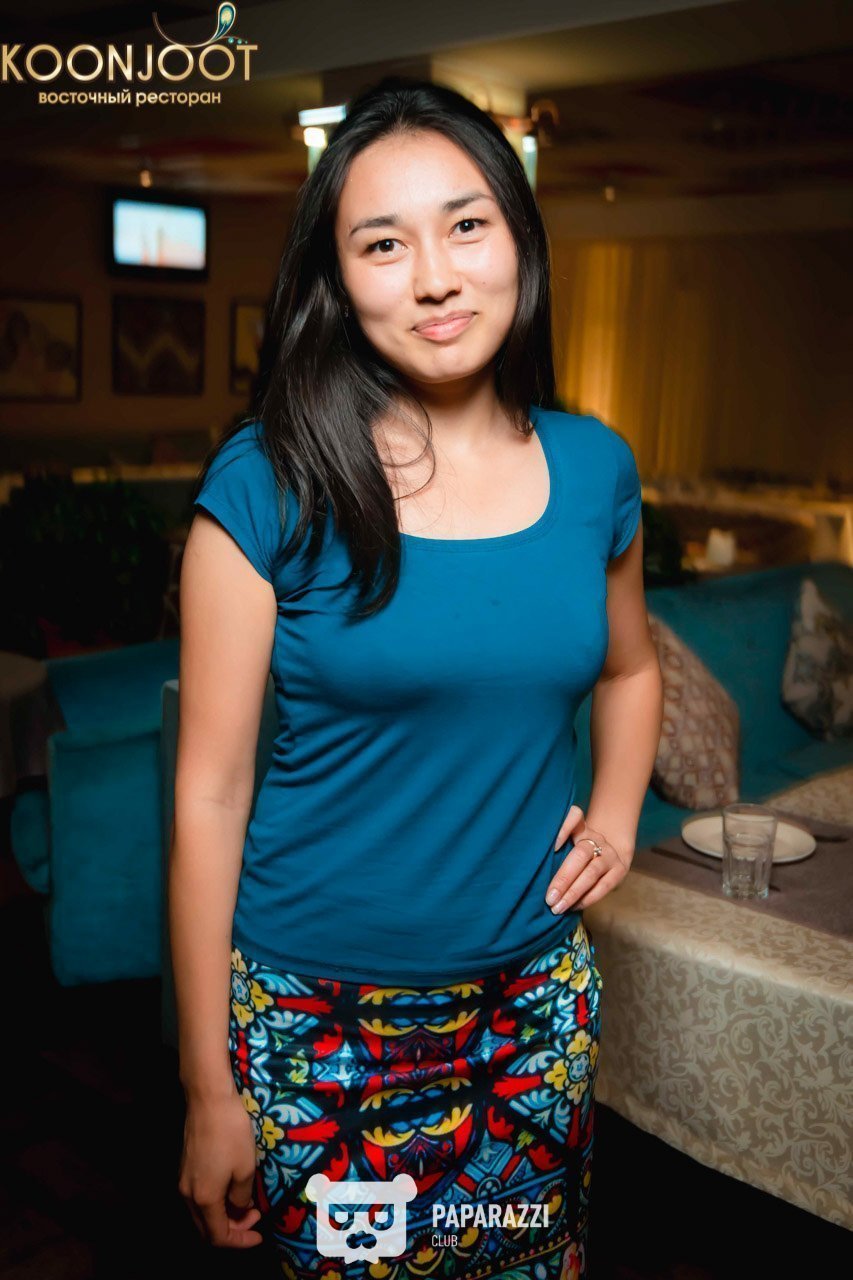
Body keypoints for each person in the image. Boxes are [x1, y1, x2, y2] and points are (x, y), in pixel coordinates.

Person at [172, 75, 663, 1280]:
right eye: (383, 244)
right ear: (337, 280)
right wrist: (207, 1084)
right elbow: (209, 795)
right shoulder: (267, 482)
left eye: (467, 225)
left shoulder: (596, 468)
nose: (435, 276)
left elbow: (632, 665)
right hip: (317, 1018)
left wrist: (614, 815)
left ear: (519, 239)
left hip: (533, 1006)